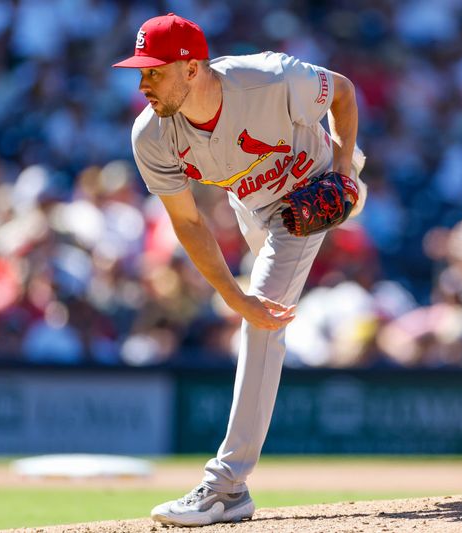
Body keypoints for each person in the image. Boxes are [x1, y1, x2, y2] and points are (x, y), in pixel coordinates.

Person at [113, 13, 366, 527]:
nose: (142, 83)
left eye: (153, 71)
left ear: (191, 68)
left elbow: (341, 92)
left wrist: (343, 173)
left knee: (261, 321)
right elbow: (187, 223)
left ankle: (227, 486)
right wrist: (231, 294)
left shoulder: (269, 77)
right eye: (139, 71)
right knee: (253, 310)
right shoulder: (151, 136)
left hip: (313, 183)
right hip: (252, 205)